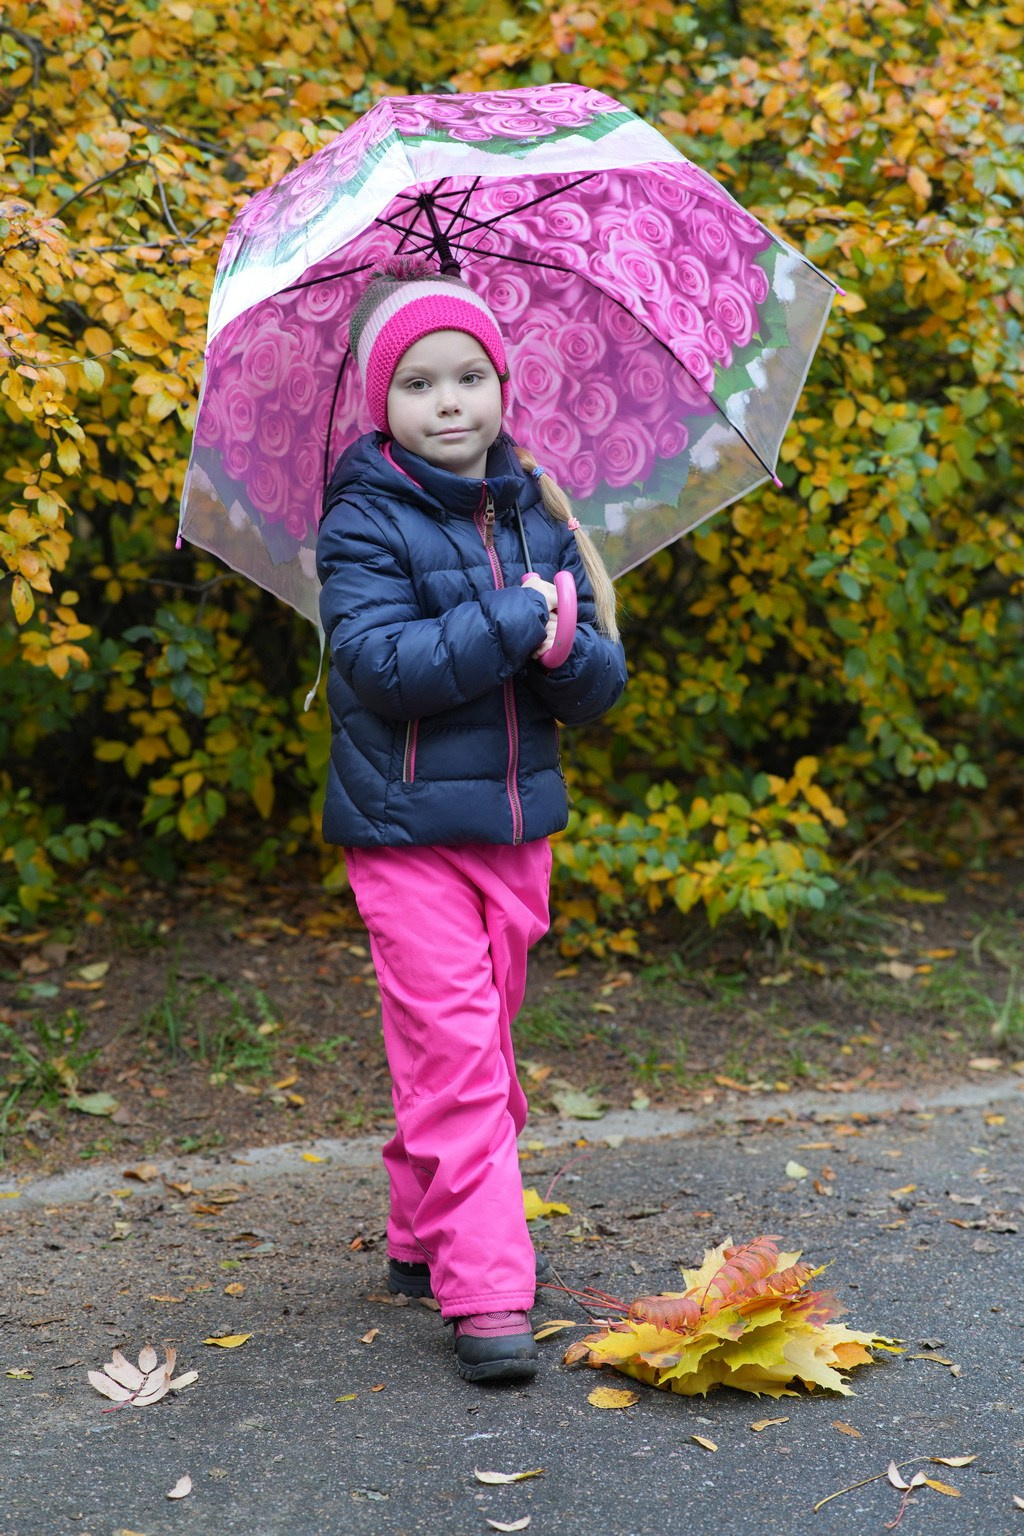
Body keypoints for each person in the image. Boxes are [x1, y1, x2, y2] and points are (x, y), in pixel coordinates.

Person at [316, 257, 627, 1384]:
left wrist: (563, 649)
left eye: (468, 377)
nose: (448, 403)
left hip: (514, 835)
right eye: (418, 384)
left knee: (473, 1045)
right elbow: (380, 664)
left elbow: (599, 689)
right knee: (460, 1062)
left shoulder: (541, 513)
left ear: (503, 385)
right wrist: (508, 621)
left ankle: (417, 1232)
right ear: (380, 405)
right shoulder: (361, 523)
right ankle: (486, 1287)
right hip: (403, 835)